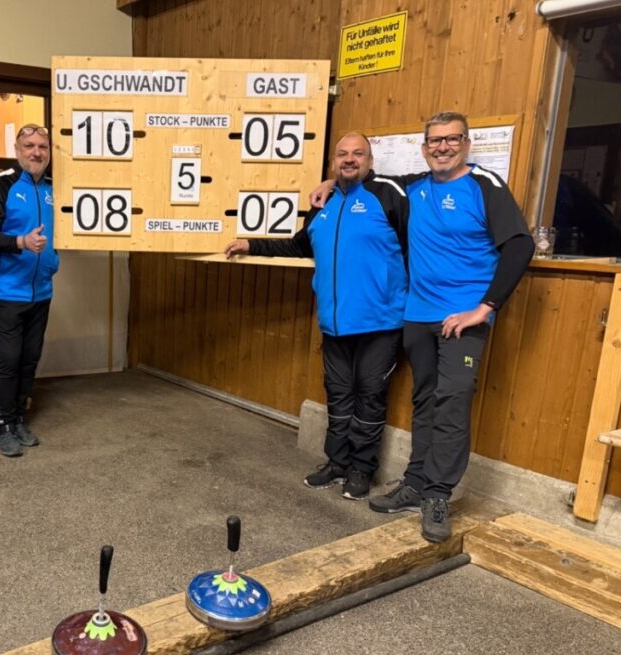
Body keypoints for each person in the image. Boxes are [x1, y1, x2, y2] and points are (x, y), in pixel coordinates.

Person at [321, 112, 533, 542]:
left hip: (462, 319)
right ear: (424, 148)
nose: (443, 147)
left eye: (452, 139)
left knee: (452, 401)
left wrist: (485, 307)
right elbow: (367, 177)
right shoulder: (414, 187)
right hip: (417, 315)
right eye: (435, 141)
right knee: (425, 401)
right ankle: (415, 483)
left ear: (466, 144)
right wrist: (330, 182)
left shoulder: (484, 185)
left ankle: (437, 495)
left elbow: (519, 244)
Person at [225, 133, 409, 500]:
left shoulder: (388, 194)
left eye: (358, 153)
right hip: (334, 322)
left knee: (370, 397)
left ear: (371, 161)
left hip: (381, 322)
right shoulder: (322, 204)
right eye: (342, 154)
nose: (349, 159)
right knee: (338, 396)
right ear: (333, 162)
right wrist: (251, 244)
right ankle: (337, 463)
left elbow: (414, 247)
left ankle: (361, 468)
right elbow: (298, 246)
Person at [0, 124, 58, 457]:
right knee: (8, 360)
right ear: (17, 149)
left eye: (42, 146)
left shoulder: (54, 188)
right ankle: (4, 425)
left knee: (29, 359)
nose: (36, 152)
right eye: (29, 145)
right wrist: (20, 242)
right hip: (6, 290)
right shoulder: (1, 184)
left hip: (41, 290)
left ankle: (19, 418)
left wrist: (54, 260)